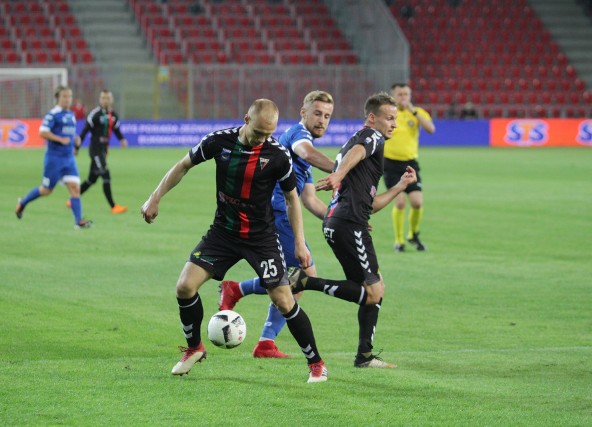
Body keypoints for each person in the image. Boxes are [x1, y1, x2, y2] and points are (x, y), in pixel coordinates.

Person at [141, 99, 328, 383]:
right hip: (223, 233)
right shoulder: (219, 142)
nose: (263, 139)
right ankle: (194, 349)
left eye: (269, 134)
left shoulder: (277, 155)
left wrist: (300, 243)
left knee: (283, 300)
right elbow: (183, 165)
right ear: (246, 120)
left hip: (260, 238)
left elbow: (293, 199)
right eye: (259, 133)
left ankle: (316, 363)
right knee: (184, 286)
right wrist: (154, 197)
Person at [290, 92, 417, 369]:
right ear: (372, 118)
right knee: (374, 292)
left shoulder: (363, 143)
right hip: (348, 225)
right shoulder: (371, 137)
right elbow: (357, 153)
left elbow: (370, 204)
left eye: (395, 119)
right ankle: (306, 282)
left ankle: (365, 355)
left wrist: (399, 187)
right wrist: (338, 174)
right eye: (389, 118)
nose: (393, 124)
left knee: (371, 288)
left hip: (342, 223)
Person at [218, 90, 335, 358]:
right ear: (303, 112)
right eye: (317, 113)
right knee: (303, 276)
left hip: (278, 210)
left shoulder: (303, 159)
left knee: (297, 279)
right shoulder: (300, 136)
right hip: (277, 209)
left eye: (327, 116)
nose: (322, 120)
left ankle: (265, 341)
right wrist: (340, 169)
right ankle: (239, 294)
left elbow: (310, 200)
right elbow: (304, 150)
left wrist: (340, 220)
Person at [15, 86, 92, 229]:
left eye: (69, 96)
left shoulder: (70, 114)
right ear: (58, 98)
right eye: (64, 96)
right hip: (54, 159)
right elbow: (42, 132)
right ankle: (22, 203)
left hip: (69, 159)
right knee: (46, 190)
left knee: (75, 188)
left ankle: (78, 221)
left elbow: (69, 133)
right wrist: (60, 140)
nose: (67, 99)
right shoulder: (52, 114)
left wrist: (75, 140)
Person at [386, 82, 435, 252]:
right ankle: (399, 241)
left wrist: (413, 111)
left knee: (416, 202)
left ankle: (413, 234)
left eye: (406, 94)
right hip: (390, 163)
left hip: (410, 164)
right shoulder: (388, 113)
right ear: (393, 96)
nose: (403, 98)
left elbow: (431, 129)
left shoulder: (417, 113)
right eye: (399, 94)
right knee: (399, 203)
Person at [68, 89, 128, 214]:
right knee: (105, 175)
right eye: (103, 98)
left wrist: (122, 139)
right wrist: (77, 148)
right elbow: (84, 131)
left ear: (111, 100)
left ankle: (72, 200)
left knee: (92, 179)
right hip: (95, 150)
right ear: (100, 100)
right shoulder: (94, 114)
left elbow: (116, 130)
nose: (106, 100)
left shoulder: (113, 115)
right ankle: (113, 206)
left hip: (104, 151)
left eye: (108, 98)